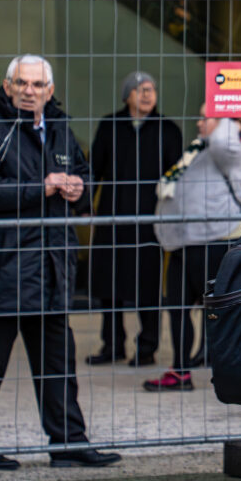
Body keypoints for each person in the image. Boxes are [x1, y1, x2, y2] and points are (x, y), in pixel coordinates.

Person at [0, 54, 120, 470]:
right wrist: (42, 186)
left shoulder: (61, 132)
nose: (30, 91)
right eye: (22, 83)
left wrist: (79, 189)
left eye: (38, 85)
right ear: (8, 86)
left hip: (52, 266)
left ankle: (68, 441)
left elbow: (84, 181)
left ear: (50, 91)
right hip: (5, 265)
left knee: (58, 362)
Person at [144, 105, 241, 391]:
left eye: (207, 116)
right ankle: (180, 371)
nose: (199, 121)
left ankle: (236, 373)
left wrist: (226, 111)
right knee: (177, 309)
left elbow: (224, 141)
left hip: (215, 240)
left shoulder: (229, 148)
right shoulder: (199, 149)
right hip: (185, 242)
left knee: (222, 312)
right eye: (200, 115)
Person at [86, 72, 183, 367]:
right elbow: (93, 169)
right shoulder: (109, 126)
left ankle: (147, 347)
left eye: (151, 89)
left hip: (149, 220)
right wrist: (84, 207)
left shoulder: (168, 129)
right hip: (111, 219)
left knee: (147, 286)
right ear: (127, 95)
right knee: (109, 287)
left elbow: (178, 176)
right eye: (140, 89)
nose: (147, 94)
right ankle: (112, 345)